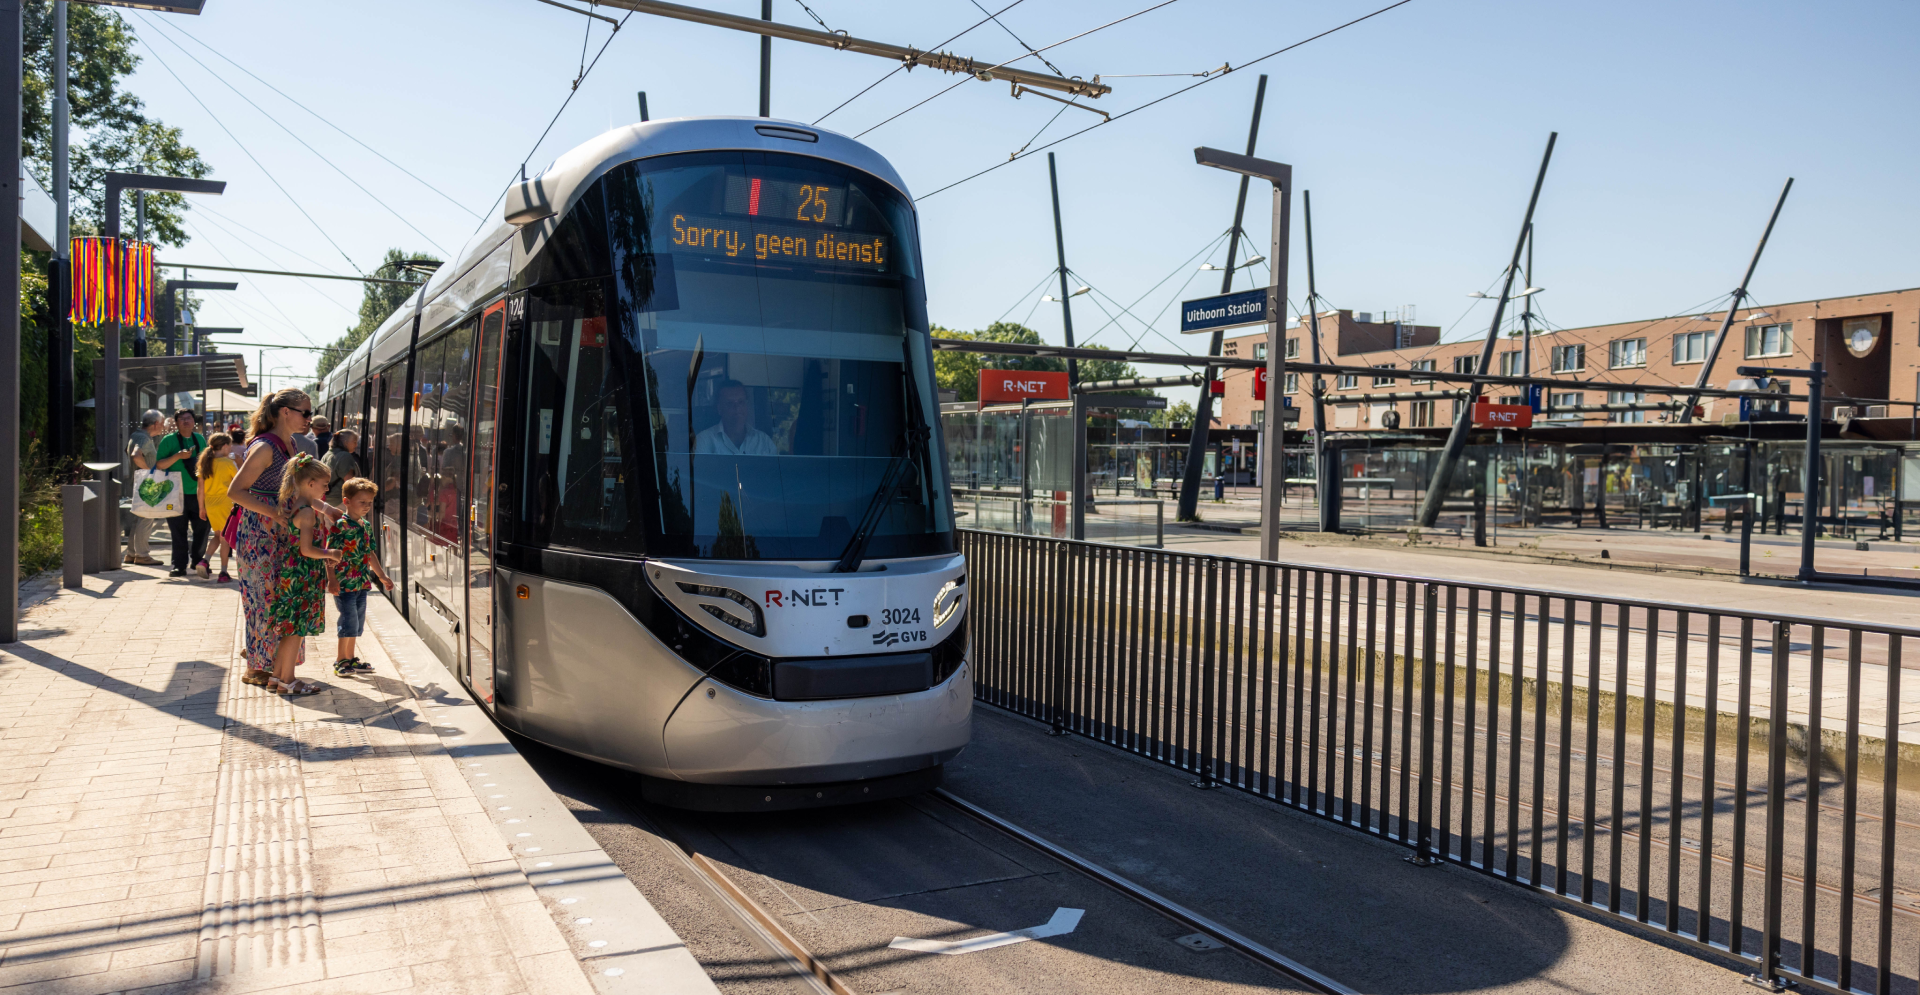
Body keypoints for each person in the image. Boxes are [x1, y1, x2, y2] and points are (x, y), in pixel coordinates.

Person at [227, 389, 316, 686]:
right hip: (260, 534)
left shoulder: (291, 444)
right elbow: (235, 492)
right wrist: (274, 512)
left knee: (279, 600)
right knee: (262, 600)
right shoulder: (265, 447)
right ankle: (256, 669)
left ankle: (272, 665)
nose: (309, 419)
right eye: (305, 412)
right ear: (285, 412)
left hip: (280, 534)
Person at [265, 454, 339, 695]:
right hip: (302, 577)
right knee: (295, 630)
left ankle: (276, 677)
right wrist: (330, 553)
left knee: (290, 629)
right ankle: (288, 681)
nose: (326, 489)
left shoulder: (298, 505)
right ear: (310, 483)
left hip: (293, 574)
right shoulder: (307, 513)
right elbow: (306, 549)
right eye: (324, 484)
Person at [326, 477, 391, 677]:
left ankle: (350, 658)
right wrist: (332, 579)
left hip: (361, 583)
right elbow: (329, 555)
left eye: (369, 502)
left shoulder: (366, 525)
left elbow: (370, 553)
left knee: (356, 621)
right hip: (344, 583)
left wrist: (381, 576)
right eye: (362, 502)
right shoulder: (339, 526)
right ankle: (340, 661)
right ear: (346, 501)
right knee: (348, 620)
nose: (366, 506)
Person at [156, 409, 209, 578]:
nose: (186, 421)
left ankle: (198, 561)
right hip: (174, 493)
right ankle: (179, 565)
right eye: (181, 419)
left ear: (194, 422)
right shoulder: (168, 440)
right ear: (176, 423)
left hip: (198, 493)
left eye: (188, 418)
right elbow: (159, 465)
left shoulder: (199, 439)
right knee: (178, 532)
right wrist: (178, 456)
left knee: (202, 529)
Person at [694, 380, 778, 455]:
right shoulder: (704, 440)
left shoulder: (763, 441)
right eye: (730, 403)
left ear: (747, 405)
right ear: (719, 408)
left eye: (741, 402)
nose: (737, 408)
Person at [124, 410, 164, 566]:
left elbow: (129, 452)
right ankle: (142, 555)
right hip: (146, 483)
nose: (163, 427)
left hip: (138, 482)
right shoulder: (144, 438)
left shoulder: (136, 435)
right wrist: (149, 472)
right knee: (146, 518)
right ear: (156, 424)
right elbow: (136, 455)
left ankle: (131, 553)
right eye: (162, 423)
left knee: (139, 519)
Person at [197, 433, 239, 582]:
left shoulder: (204, 463)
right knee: (225, 538)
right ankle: (223, 572)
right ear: (225, 446)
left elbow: (200, 489)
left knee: (217, 535)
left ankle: (205, 560)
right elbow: (238, 481)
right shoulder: (228, 463)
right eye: (230, 445)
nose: (231, 448)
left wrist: (201, 507)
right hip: (225, 502)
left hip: (210, 504)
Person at [323, 430, 360, 504]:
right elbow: (350, 483)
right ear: (346, 442)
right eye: (354, 442)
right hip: (340, 501)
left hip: (326, 500)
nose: (356, 445)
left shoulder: (328, 454)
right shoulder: (345, 456)